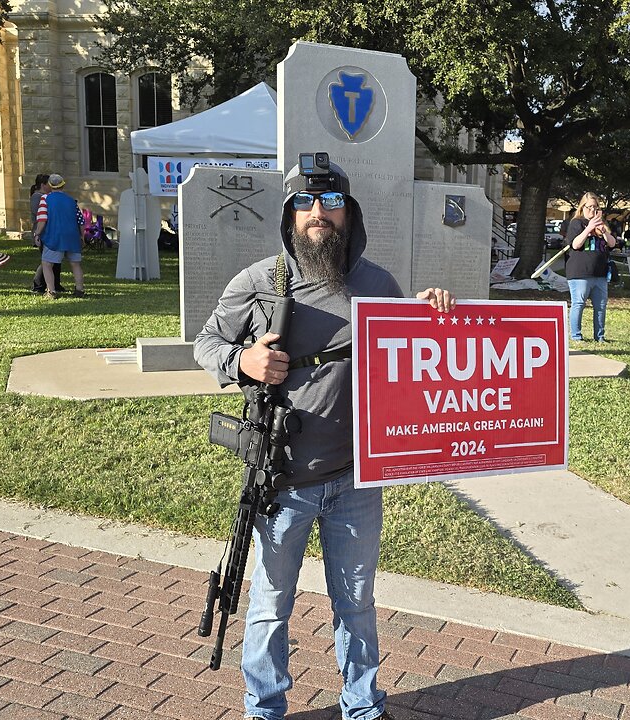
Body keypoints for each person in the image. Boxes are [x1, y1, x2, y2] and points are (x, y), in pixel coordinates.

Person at [195, 157, 454, 720]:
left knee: (357, 603)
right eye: (306, 204)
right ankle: (264, 709)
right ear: (289, 214)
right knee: (269, 607)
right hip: (282, 478)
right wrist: (244, 360)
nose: (319, 214)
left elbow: (408, 355)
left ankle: (362, 706)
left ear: (348, 212)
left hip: (355, 478)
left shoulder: (377, 284)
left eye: (330, 203)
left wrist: (429, 313)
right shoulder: (261, 282)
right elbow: (207, 342)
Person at [563, 192, 618, 341]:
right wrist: (588, 229)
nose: (593, 210)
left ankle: (599, 336)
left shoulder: (602, 225)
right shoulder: (577, 223)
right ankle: (576, 336)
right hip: (580, 272)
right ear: (583, 207)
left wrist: (603, 231)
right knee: (579, 303)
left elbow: (612, 244)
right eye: (589, 207)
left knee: (600, 306)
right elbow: (575, 244)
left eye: (596, 207)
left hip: (600, 272)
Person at [34, 174, 86, 298]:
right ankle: (80, 290)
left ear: (51, 186)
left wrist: (37, 233)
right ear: (63, 185)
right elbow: (81, 220)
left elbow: (42, 219)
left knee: (47, 263)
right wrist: (82, 236)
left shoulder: (45, 199)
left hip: (55, 236)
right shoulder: (71, 200)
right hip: (72, 236)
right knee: (75, 264)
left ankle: (51, 291)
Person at [28, 173, 65, 295]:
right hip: (43, 232)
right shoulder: (38, 197)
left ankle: (55, 284)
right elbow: (40, 216)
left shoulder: (47, 197)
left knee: (55, 261)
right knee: (47, 260)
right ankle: (38, 285)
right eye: (49, 184)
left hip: (52, 232)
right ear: (43, 185)